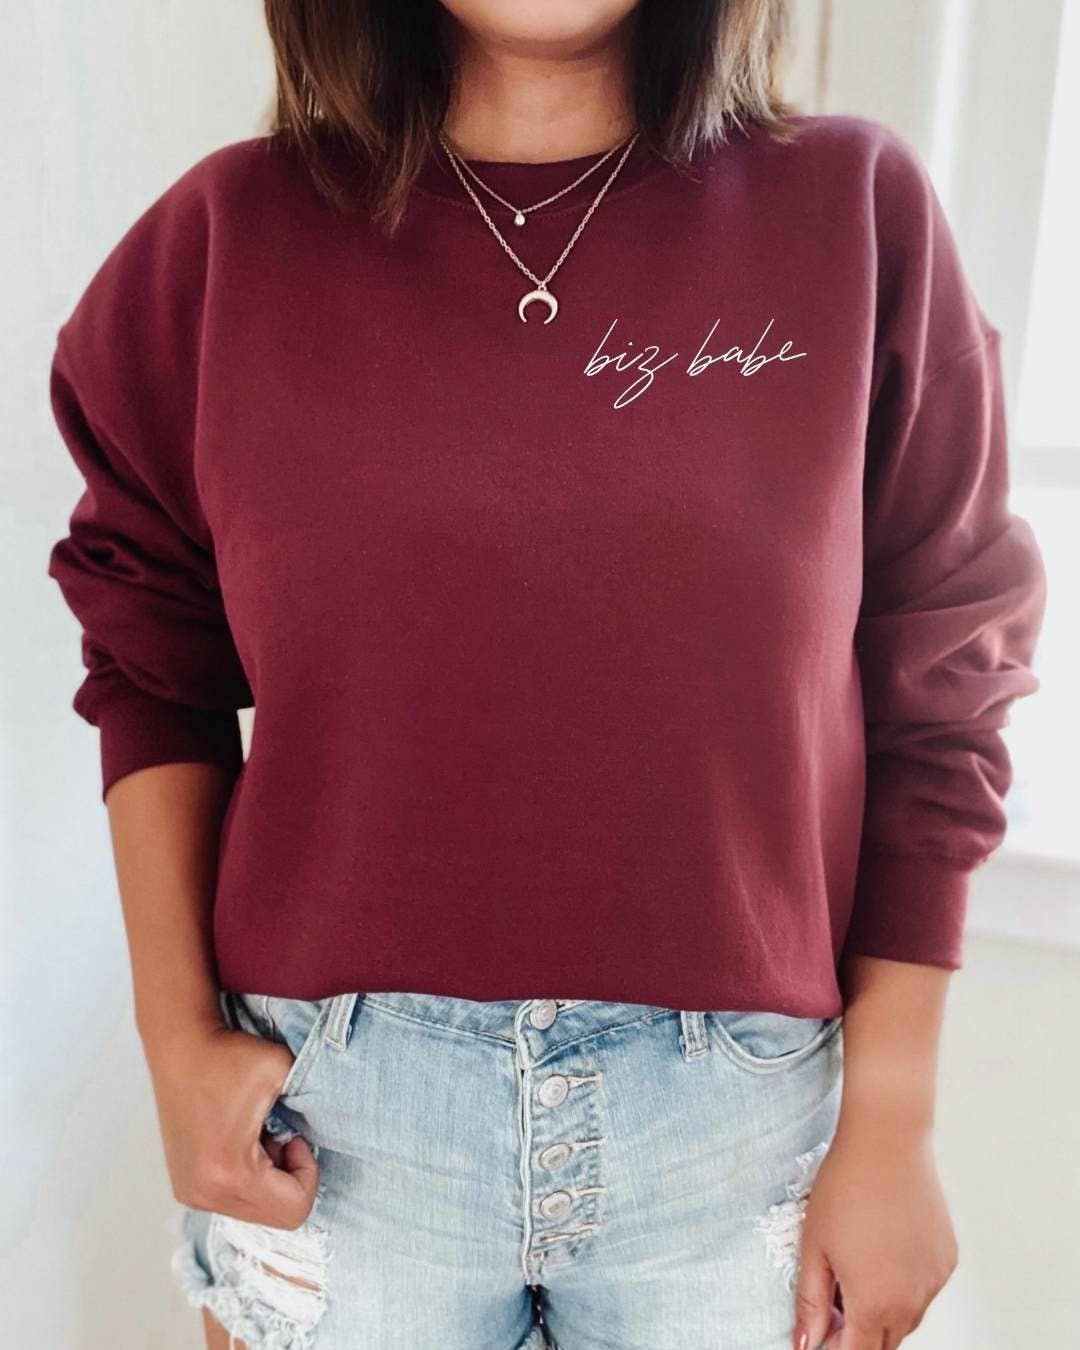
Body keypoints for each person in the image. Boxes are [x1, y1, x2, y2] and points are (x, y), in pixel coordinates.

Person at [45, 1, 1047, 1347]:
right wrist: (173, 1042)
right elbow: (149, 663)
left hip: (736, 1135)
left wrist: (897, 1116)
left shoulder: (857, 215)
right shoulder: (225, 243)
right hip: (336, 1125)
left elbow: (944, 681)